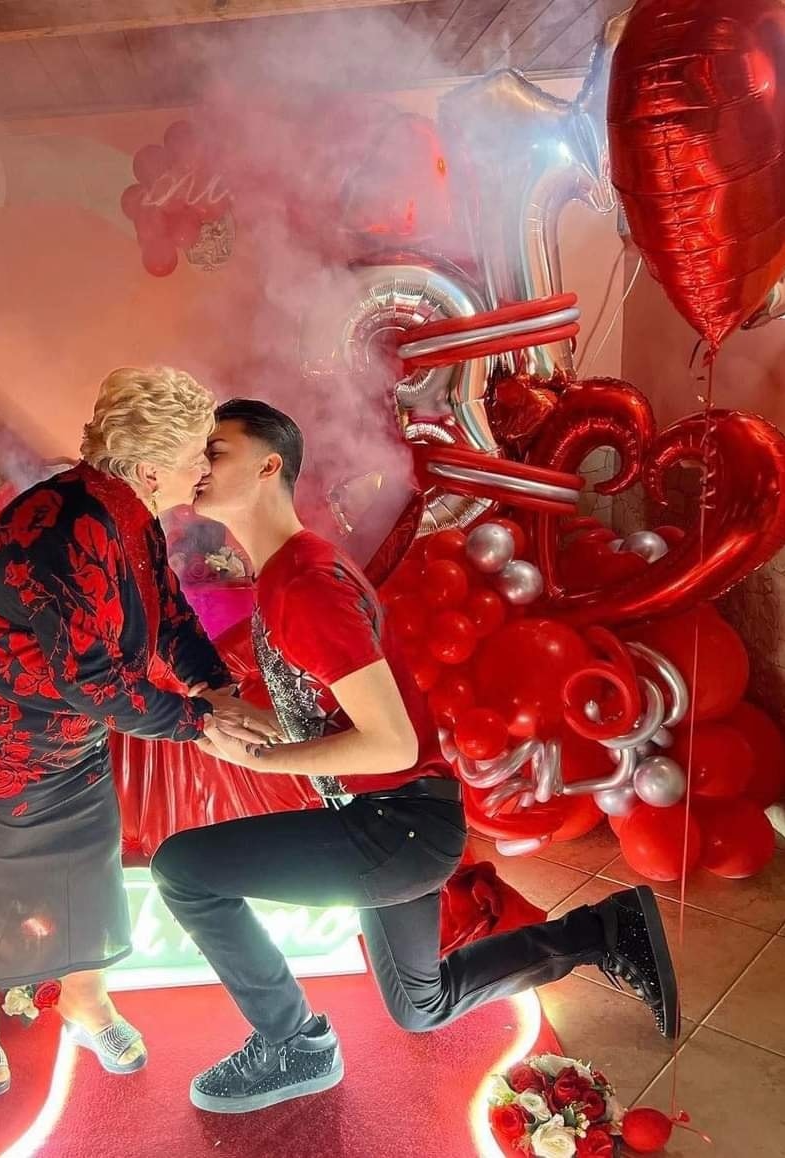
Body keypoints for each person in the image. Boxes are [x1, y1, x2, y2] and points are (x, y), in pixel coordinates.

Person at [150, 398, 680, 1114]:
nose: (199, 467)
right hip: (399, 820)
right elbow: (335, 715)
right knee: (420, 1006)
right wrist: (255, 724)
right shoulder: (286, 571)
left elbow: (392, 742)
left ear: (270, 466)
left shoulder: (304, 586)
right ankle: (605, 931)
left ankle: (292, 1044)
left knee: (183, 870)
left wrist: (264, 761)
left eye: (217, 451)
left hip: (392, 827)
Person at [0, 368, 278, 1097]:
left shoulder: (131, 512)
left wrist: (217, 689)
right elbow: (93, 680)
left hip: (66, 735)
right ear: (150, 466)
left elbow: (169, 614)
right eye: (197, 454)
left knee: (85, 870)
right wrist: (201, 724)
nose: (205, 468)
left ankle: (85, 1000)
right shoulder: (69, 523)